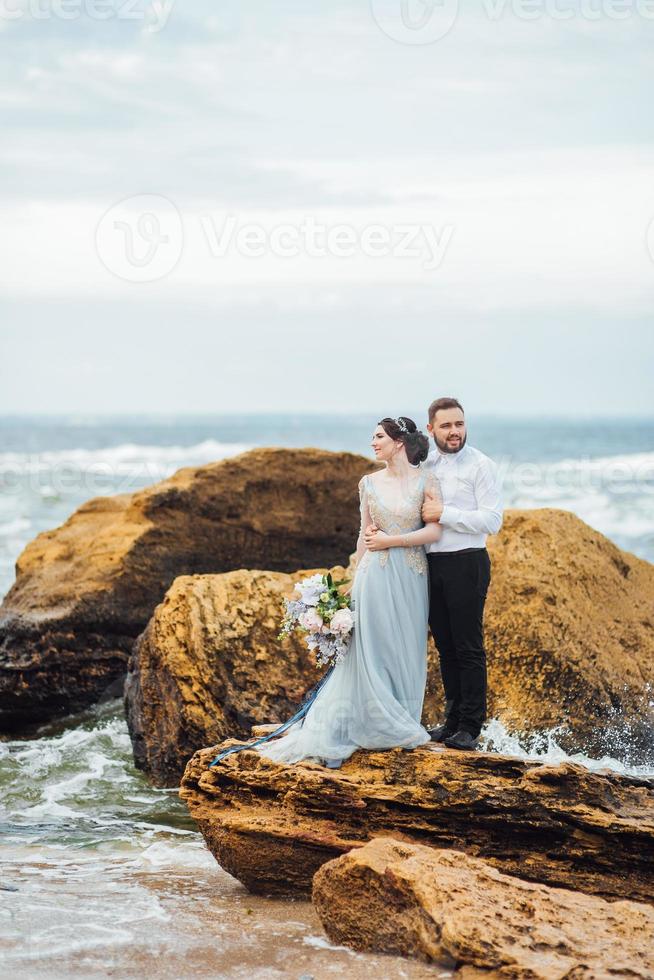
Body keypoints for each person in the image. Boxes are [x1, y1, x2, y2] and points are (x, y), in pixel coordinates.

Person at [208, 416, 443, 771]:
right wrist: (348, 583)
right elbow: (363, 535)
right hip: (374, 575)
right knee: (370, 649)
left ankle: (402, 718)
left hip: (411, 574)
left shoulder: (427, 480)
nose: (373, 442)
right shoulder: (368, 483)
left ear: (398, 442)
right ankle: (372, 724)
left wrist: (391, 541)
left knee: (405, 647)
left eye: (378, 436)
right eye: (372, 437)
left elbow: (434, 532)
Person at [422, 397, 503, 751]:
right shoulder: (425, 464)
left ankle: (471, 726)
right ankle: (451, 720)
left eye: (459, 424)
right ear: (431, 429)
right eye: (446, 426)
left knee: (469, 647)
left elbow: (492, 520)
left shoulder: (481, 465)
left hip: (467, 561)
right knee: (445, 646)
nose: (454, 432)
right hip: (432, 564)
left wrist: (445, 513)